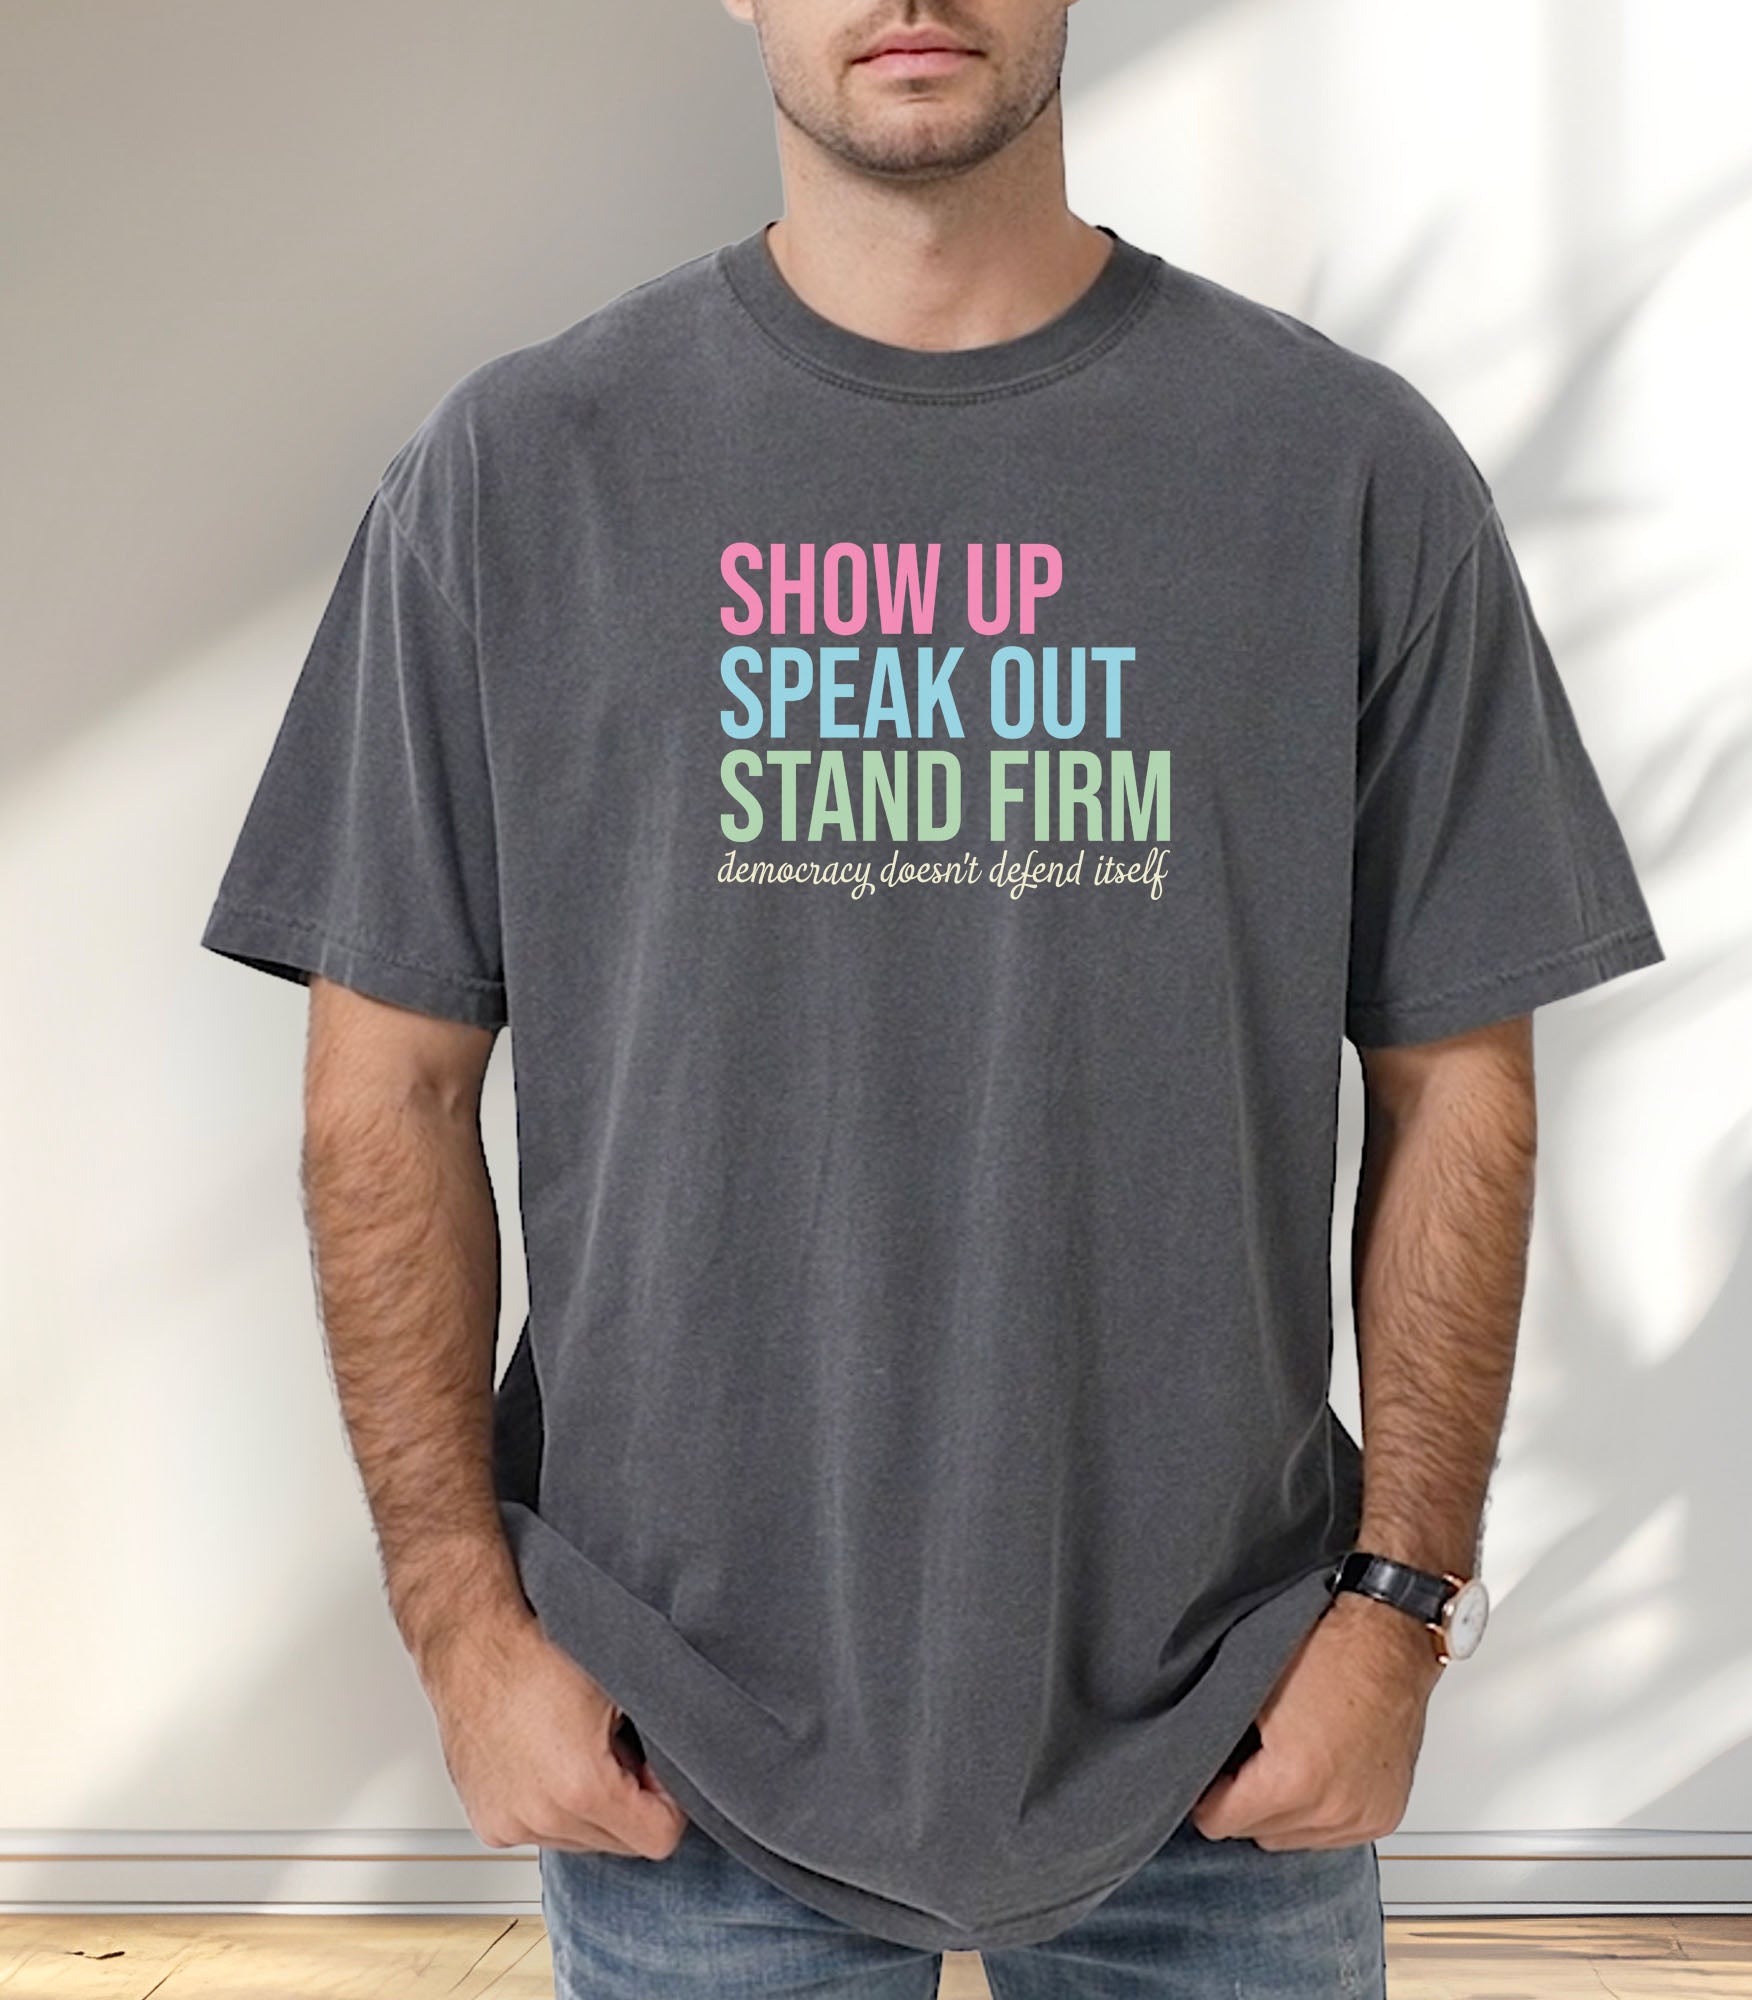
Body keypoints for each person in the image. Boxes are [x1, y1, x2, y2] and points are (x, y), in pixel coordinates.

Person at [197, 1, 1667, 1993]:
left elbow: (1459, 1092)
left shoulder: (1340, 469)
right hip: (675, 1738)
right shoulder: (519, 475)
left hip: (1218, 1731)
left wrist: (1395, 1613)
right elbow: (382, 1099)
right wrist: (463, 1628)